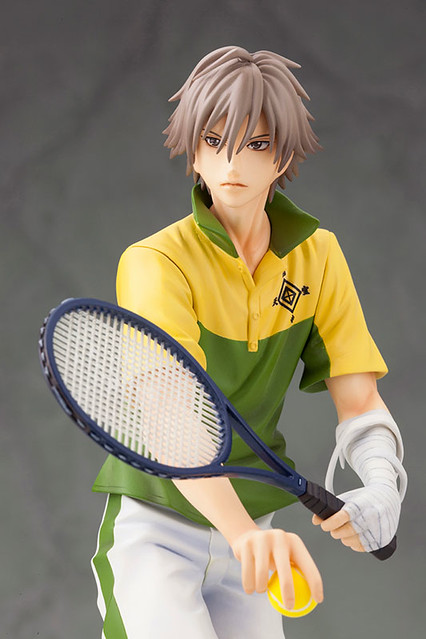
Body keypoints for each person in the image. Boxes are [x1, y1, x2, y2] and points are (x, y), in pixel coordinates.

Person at [91, 46, 406, 639]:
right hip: (158, 529)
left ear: (282, 154)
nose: (232, 162)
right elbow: (171, 418)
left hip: (255, 538)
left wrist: (383, 485)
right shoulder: (156, 261)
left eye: (256, 144)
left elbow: (359, 398)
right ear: (193, 150)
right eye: (214, 141)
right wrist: (242, 534)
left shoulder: (318, 256)